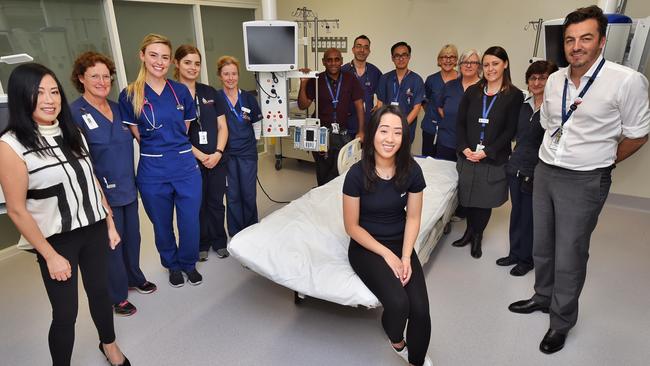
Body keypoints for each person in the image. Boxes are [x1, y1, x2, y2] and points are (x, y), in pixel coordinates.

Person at [509, 5, 649, 354]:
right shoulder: (555, 79)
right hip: (546, 170)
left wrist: (603, 159)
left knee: (570, 252)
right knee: (543, 244)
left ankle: (561, 321)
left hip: (585, 178)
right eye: (570, 39)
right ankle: (542, 297)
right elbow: (547, 124)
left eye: (585, 38)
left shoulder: (626, 81)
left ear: (601, 41)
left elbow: (638, 133)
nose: (576, 46)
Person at [0, 63, 130, 366]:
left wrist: (108, 221)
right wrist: (49, 255)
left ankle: (108, 345)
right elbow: (17, 210)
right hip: (57, 241)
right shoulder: (11, 146)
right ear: (22, 98)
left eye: (54, 91)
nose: (49, 100)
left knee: (100, 293)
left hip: (94, 227)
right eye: (39, 93)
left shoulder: (72, 131)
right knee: (65, 313)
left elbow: (91, 179)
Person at [69, 51, 157, 317]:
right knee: (112, 243)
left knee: (133, 237)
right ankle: (116, 295)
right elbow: (80, 161)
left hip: (128, 187)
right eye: (94, 76)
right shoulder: (74, 114)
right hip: (101, 192)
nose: (102, 81)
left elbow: (143, 138)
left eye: (106, 76)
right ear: (81, 78)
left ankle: (134, 278)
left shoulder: (119, 109)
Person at [343, 105, 432, 366]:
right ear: (372, 134)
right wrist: (387, 256)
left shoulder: (412, 170)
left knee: (421, 312)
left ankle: (415, 361)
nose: (389, 139)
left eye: (397, 132)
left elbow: (413, 217)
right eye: (383, 131)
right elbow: (352, 227)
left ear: (404, 138)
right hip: (366, 246)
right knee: (397, 303)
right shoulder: (356, 174)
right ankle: (396, 339)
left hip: (399, 241)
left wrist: (405, 256)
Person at [119, 33, 203, 288]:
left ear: (170, 62)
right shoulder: (130, 94)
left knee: (190, 221)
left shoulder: (180, 92)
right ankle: (172, 265)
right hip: (153, 169)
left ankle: (189, 263)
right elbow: (138, 135)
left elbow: (185, 128)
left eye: (165, 57)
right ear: (142, 56)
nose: (159, 61)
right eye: (153, 55)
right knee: (162, 224)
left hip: (185, 166)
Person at [453, 46, 524, 259]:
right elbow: (460, 123)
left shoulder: (514, 96)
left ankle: (477, 237)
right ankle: (468, 232)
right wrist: (464, 146)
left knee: (484, 200)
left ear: (505, 64)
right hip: (468, 155)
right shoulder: (473, 91)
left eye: (495, 64)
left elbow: (510, 131)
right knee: (468, 197)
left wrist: (487, 152)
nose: (490, 69)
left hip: (492, 158)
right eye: (486, 65)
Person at [496, 60, 558, 277]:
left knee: (530, 216)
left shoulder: (555, 108)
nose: (537, 82)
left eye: (543, 77)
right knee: (517, 212)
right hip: (516, 167)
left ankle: (526, 259)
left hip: (537, 170)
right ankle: (514, 253)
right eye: (533, 78)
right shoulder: (523, 104)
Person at [173, 45, 229, 261]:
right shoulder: (173, 95)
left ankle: (219, 241)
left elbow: (223, 127)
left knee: (216, 201)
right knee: (197, 205)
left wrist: (217, 153)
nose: (193, 67)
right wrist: (200, 156)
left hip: (216, 158)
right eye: (187, 62)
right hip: (190, 160)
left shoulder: (209, 92)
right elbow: (177, 134)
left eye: (197, 63)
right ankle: (202, 243)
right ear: (176, 64)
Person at [298, 48, 364, 186]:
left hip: (342, 132)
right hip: (321, 132)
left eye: (336, 59)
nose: (333, 63)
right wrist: (303, 84)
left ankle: (336, 196)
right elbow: (303, 105)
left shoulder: (350, 79)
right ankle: (323, 193)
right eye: (329, 60)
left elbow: (359, 106)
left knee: (342, 167)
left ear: (341, 61)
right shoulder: (316, 80)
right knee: (322, 168)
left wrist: (361, 130)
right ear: (324, 62)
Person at [215, 55, 262, 237]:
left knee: (248, 194)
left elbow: (257, 122)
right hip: (226, 156)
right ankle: (235, 233)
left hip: (247, 154)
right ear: (220, 75)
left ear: (238, 75)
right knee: (232, 195)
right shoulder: (216, 98)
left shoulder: (248, 98)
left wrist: (253, 141)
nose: (230, 78)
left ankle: (251, 230)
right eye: (226, 74)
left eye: (233, 73)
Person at [436, 49, 481, 162]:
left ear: (479, 66)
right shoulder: (450, 86)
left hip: (471, 148)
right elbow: (440, 108)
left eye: (473, 62)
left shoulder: (484, 89)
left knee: (464, 179)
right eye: (465, 62)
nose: (468, 65)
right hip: (446, 142)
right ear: (460, 65)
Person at [376, 41, 425, 143]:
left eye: (404, 55)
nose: (401, 58)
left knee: (403, 157)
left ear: (409, 56)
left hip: (406, 129)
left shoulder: (417, 80)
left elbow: (417, 108)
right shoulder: (385, 78)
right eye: (397, 55)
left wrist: (401, 127)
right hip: (386, 128)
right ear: (392, 58)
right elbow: (380, 104)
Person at [421, 44, 458, 157]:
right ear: (439, 60)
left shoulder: (461, 79)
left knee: (449, 165)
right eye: (444, 57)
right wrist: (432, 113)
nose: (447, 60)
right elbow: (424, 101)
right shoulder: (431, 79)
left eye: (451, 57)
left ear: (456, 60)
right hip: (431, 129)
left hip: (452, 131)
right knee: (429, 161)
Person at [341, 35, 382, 136]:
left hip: (368, 125)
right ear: (353, 49)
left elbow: (383, 93)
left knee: (367, 152)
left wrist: (379, 105)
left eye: (366, 47)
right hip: (346, 125)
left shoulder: (375, 72)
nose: (362, 50)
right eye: (358, 46)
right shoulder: (343, 71)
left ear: (369, 51)